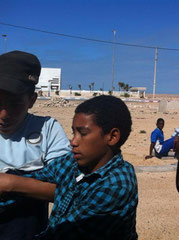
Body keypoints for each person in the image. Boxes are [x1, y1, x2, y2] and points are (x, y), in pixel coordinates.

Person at [0, 95, 138, 240]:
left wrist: (10, 184)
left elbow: (65, 233)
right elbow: (38, 176)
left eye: (82, 134)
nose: (73, 142)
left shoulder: (117, 185)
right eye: (74, 133)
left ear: (112, 137)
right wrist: (9, 183)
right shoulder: (72, 162)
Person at [0, 51, 71, 240]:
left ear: (31, 100)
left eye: (14, 104)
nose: (4, 114)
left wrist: (11, 184)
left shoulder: (47, 129)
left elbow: (68, 190)